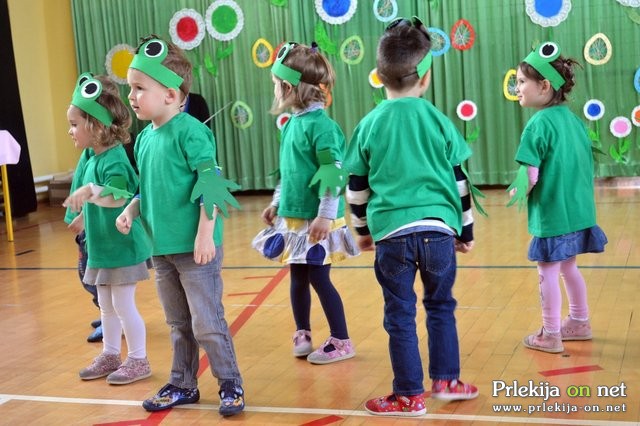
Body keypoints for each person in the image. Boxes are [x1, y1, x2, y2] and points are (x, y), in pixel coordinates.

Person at [344, 17, 479, 416]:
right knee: (441, 305)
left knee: (400, 314)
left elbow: (356, 187)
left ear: (379, 76)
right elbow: (460, 181)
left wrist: (362, 231)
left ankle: (408, 395)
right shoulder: (438, 120)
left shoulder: (369, 124)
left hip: (392, 236)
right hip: (438, 232)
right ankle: (447, 381)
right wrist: (465, 230)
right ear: (426, 76)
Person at [116, 35, 245, 416]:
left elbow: (211, 183)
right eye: (130, 88)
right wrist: (131, 210)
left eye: (139, 88)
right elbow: (147, 188)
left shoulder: (191, 131)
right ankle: (183, 383)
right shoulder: (143, 140)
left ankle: (229, 382)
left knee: (207, 323)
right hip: (162, 249)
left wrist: (205, 233)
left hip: (195, 248)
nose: (131, 96)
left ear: (171, 95)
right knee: (178, 323)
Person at [251, 42, 359, 365]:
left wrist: (325, 216)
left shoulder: (323, 128)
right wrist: (277, 203)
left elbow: (333, 175)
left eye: (276, 84)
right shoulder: (292, 125)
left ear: (288, 87)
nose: (274, 90)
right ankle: (303, 333)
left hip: (316, 220)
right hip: (295, 217)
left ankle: (341, 339)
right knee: (297, 276)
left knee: (319, 278)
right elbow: (290, 174)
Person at [509, 41, 607, 353]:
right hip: (578, 213)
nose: (517, 87)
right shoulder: (573, 120)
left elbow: (531, 175)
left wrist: (517, 191)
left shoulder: (538, 124)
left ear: (544, 86)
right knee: (569, 268)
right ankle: (579, 321)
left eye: (521, 81)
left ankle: (551, 333)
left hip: (552, 216)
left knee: (548, 271)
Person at [63, 73, 152, 385]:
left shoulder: (114, 159)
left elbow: (118, 196)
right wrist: (84, 217)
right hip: (102, 247)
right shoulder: (92, 158)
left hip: (122, 248)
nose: (70, 131)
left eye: (75, 124)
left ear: (96, 126)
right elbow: (99, 201)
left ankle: (139, 359)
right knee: (106, 306)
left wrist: (89, 192)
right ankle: (111, 354)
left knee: (123, 305)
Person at [64, 146, 103, 343]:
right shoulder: (90, 152)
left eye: (75, 128)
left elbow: (106, 192)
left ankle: (111, 317)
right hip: (86, 226)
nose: (70, 132)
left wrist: (85, 217)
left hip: (94, 226)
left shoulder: (105, 156)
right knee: (85, 275)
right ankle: (106, 313)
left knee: (96, 278)